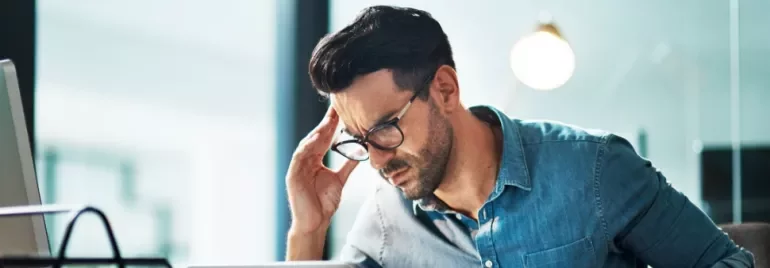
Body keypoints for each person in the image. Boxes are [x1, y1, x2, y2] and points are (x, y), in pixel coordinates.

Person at [284, 5, 755, 268]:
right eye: (358, 140)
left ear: (444, 89)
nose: (376, 160)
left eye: (385, 128)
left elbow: (727, 264)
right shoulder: (386, 222)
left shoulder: (593, 170)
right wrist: (308, 230)